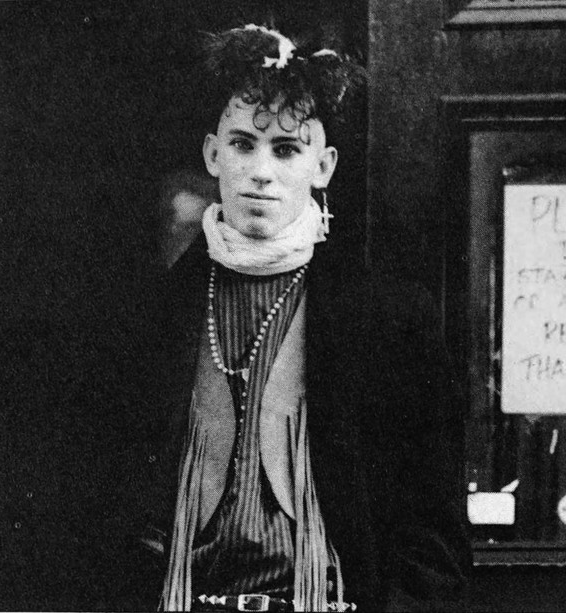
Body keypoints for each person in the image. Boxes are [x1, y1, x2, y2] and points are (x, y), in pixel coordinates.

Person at [111, 23, 470, 612]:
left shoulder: (389, 320)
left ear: (323, 166)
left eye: (285, 149)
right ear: (212, 155)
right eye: (243, 144)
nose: (261, 171)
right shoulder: (150, 317)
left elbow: (434, 537)